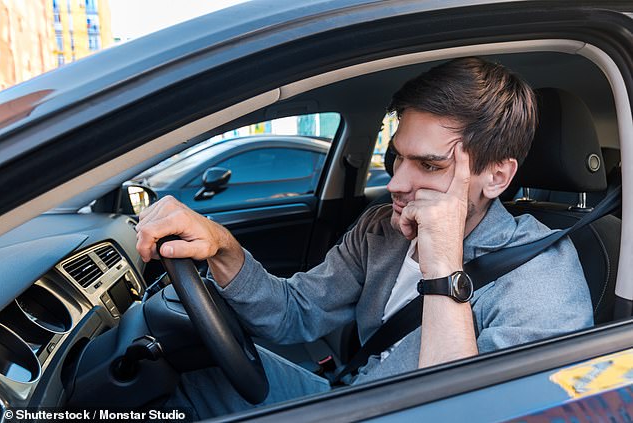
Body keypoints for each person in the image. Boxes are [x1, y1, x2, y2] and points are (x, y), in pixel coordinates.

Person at [135, 57, 593, 418]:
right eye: (397, 157)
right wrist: (223, 246)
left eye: (430, 165)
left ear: (496, 177)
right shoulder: (381, 230)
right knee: (179, 370)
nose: (395, 182)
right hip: (352, 395)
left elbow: (465, 412)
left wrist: (443, 266)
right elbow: (294, 315)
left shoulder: (542, 274)